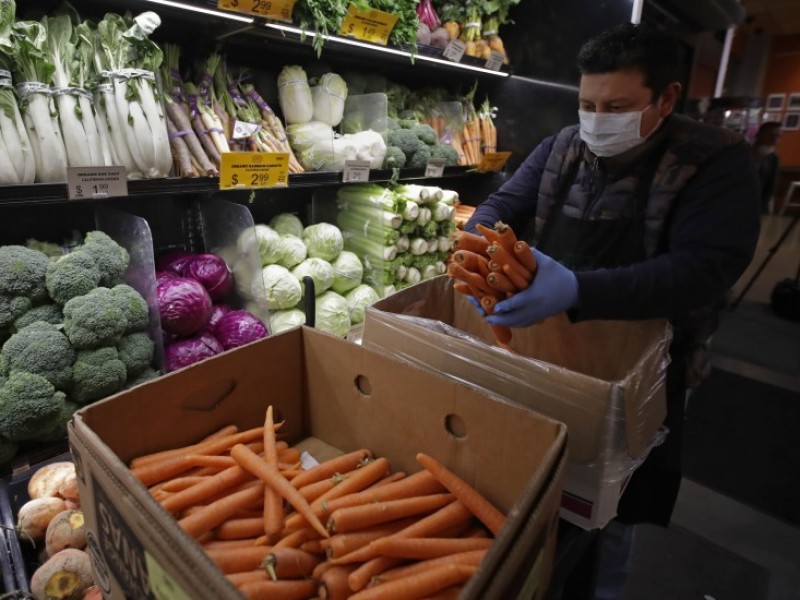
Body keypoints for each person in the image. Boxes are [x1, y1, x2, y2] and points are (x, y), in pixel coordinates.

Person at [465, 22, 761, 599]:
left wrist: (579, 290)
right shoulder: (561, 147)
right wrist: (478, 249)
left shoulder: (716, 163)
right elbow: (504, 203)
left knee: (613, 507)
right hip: (553, 349)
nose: (598, 119)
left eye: (617, 106)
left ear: (666, 98)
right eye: (588, 104)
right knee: (547, 483)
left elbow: (703, 270)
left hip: (649, 365)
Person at [752, 121, 781, 214]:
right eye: (771, 135)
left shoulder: (773, 159)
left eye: (778, 136)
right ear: (759, 135)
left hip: (756, 206)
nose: (774, 140)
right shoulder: (742, 154)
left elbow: (770, 187)